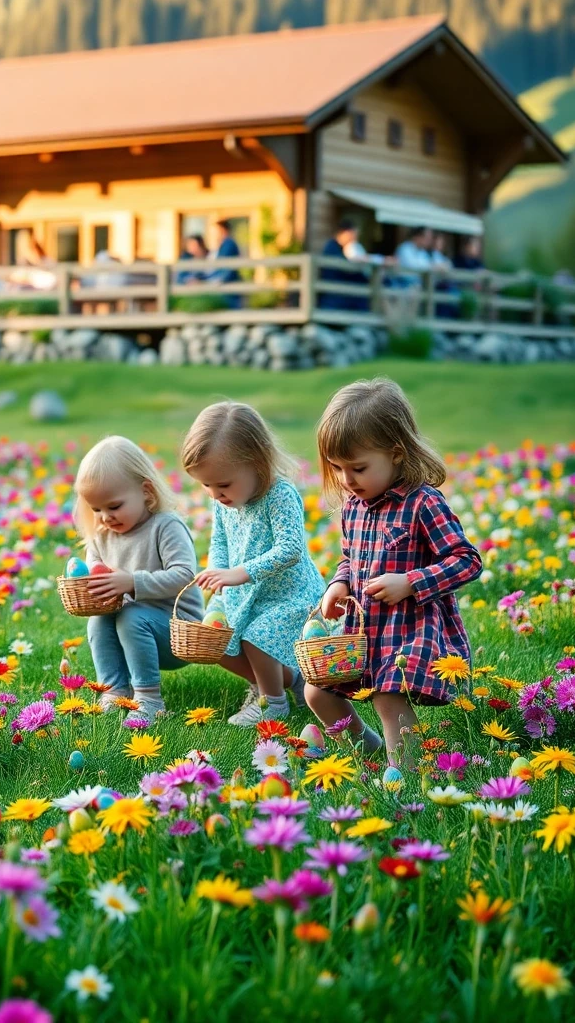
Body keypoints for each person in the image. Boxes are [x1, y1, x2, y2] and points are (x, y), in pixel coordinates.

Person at [311, 378, 482, 764]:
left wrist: (410, 582)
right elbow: (349, 558)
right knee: (316, 692)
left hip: (409, 629)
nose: (346, 480)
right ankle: (370, 753)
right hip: (363, 629)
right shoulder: (353, 505)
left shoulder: (424, 502)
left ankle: (404, 778)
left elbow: (466, 560)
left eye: (358, 468)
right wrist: (338, 583)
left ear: (397, 453)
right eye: (337, 468)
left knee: (389, 694)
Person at [181, 401, 324, 726]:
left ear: (257, 463)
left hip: (287, 595)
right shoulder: (224, 502)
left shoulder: (280, 495)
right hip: (242, 591)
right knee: (215, 643)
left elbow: (291, 549)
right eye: (207, 485)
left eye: (223, 484)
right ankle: (280, 682)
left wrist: (239, 573)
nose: (215, 494)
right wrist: (218, 577)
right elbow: (220, 542)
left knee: (256, 636)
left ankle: (272, 703)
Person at [75, 436, 203, 723]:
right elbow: (94, 568)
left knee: (131, 615)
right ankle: (114, 689)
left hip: (178, 632)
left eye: (114, 506)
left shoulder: (165, 526)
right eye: (96, 509)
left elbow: (184, 575)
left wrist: (133, 582)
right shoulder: (102, 536)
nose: (105, 517)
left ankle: (149, 697)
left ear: (146, 492)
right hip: (132, 627)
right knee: (100, 619)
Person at [319, 218, 370, 311]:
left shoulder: (342, 249)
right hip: (335, 296)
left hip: (341, 293)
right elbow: (343, 269)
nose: (355, 239)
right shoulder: (332, 248)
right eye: (354, 234)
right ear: (347, 233)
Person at [208, 220, 242, 308]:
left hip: (228, 287)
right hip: (225, 286)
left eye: (217, 231)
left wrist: (218, 280)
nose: (215, 234)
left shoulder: (229, 244)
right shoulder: (224, 245)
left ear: (223, 230)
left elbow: (228, 266)